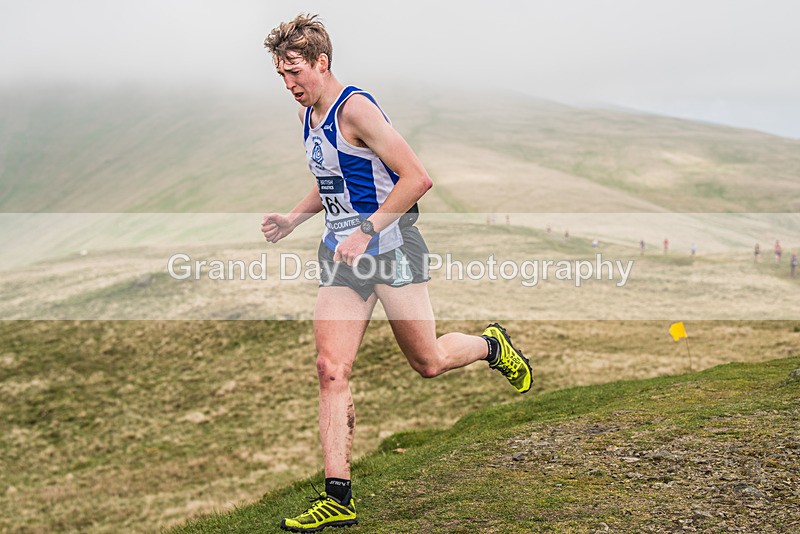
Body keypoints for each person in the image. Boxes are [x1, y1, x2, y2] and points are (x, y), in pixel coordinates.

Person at [261, 15, 533, 532]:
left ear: (322, 62)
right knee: (330, 369)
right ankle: (338, 497)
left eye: (295, 72)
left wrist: (367, 229)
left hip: (390, 246)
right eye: (281, 75)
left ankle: (492, 345)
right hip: (342, 256)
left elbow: (417, 177)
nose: (289, 85)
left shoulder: (355, 108)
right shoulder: (308, 116)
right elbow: (332, 180)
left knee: (428, 361)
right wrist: (292, 219)